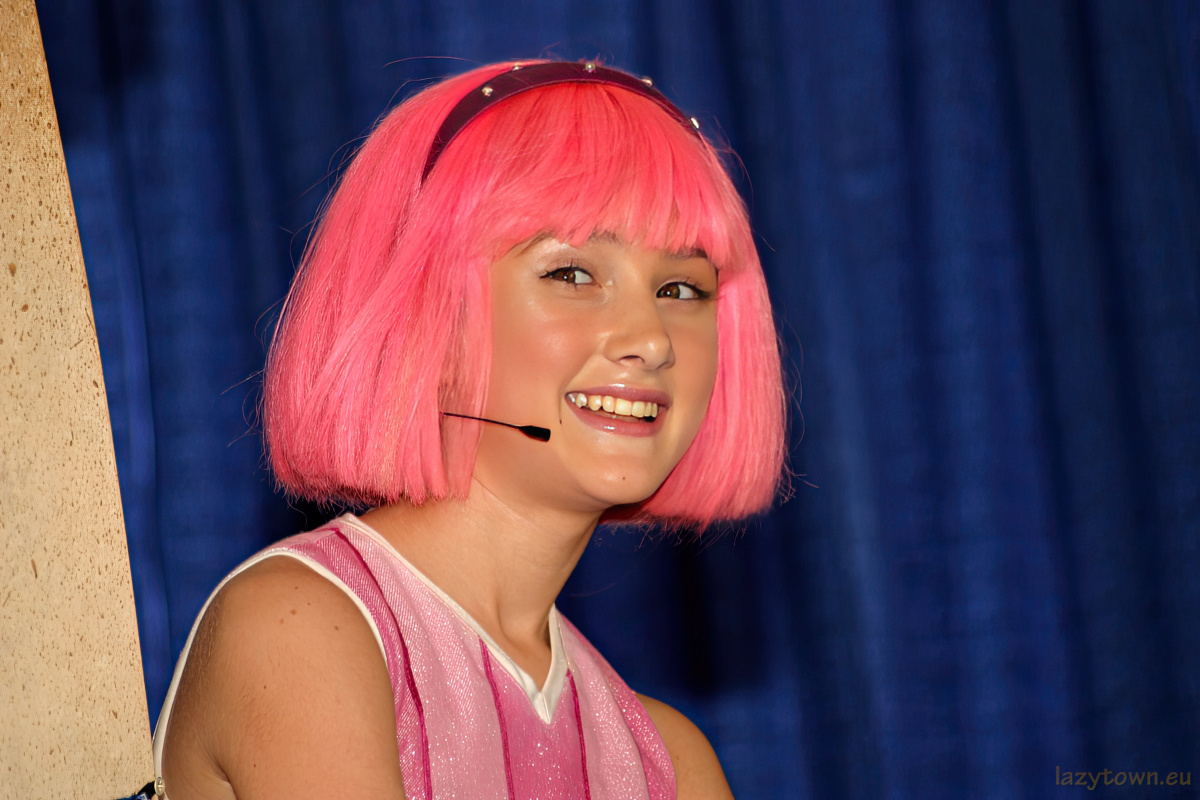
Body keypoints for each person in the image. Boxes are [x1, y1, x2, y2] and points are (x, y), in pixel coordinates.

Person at [151, 59, 786, 800]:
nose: (651, 339)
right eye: (572, 274)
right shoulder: (297, 629)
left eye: (681, 288)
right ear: (428, 310)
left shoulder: (672, 765)